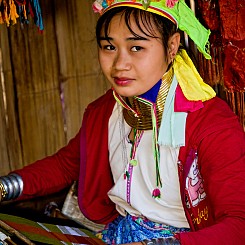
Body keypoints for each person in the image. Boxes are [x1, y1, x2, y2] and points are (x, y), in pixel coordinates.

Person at [0, 0, 245, 244]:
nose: (120, 64)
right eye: (109, 47)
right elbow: (66, 165)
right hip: (117, 236)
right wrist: (4, 187)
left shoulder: (210, 124)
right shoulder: (105, 110)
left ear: (171, 46)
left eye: (136, 47)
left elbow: (238, 224)